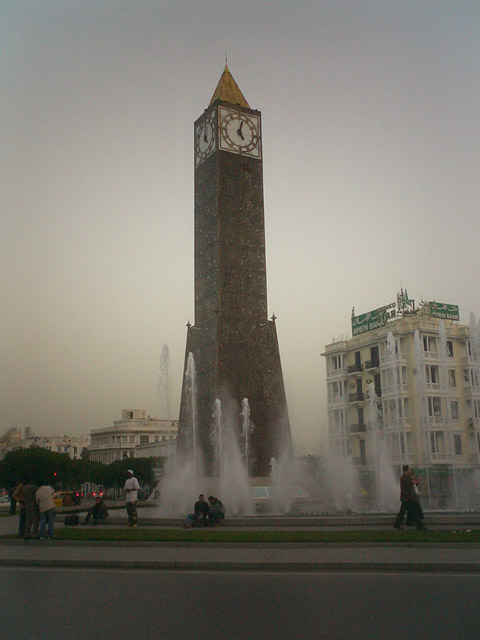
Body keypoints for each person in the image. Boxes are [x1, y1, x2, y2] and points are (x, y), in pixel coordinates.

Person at [393, 465, 427, 530]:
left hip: (406, 498)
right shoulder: (404, 478)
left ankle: (397, 524)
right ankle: (419, 526)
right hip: (408, 498)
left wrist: (414, 482)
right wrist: (413, 482)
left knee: (402, 512)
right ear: (407, 470)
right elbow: (408, 485)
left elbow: (414, 483)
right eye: (409, 469)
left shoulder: (405, 477)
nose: (409, 470)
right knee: (415, 511)